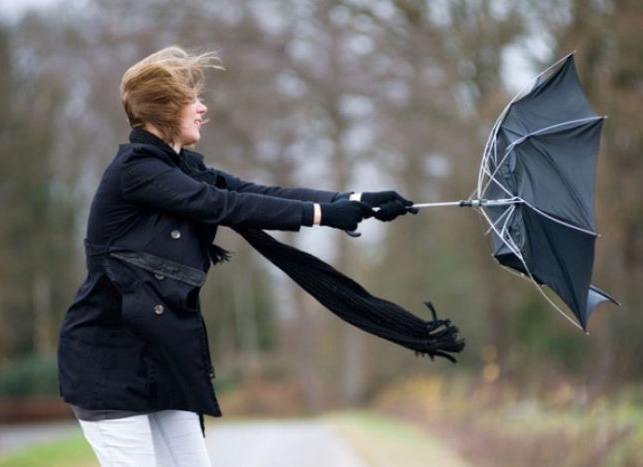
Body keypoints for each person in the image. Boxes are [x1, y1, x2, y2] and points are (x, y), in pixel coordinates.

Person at [57, 46, 414, 466]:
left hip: (162, 358)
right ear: (166, 108)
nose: (202, 108)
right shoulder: (136, 171)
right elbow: (222, 206)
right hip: (109, 364)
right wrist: (323, 215)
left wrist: (354, 199)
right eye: (192, 100)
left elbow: (254, 193)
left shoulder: (179, 168)